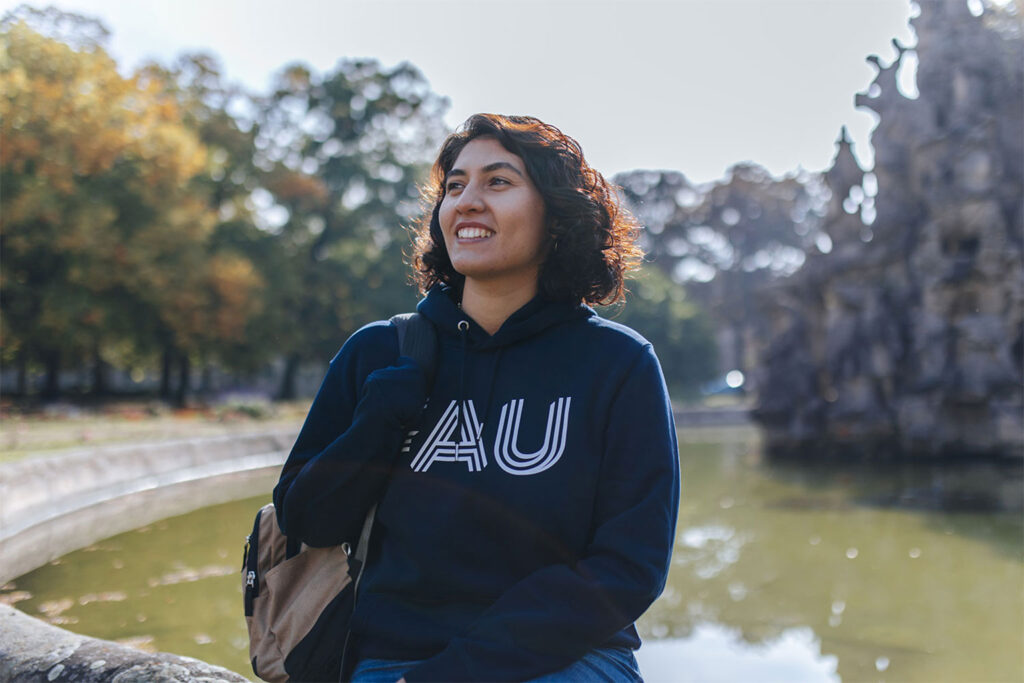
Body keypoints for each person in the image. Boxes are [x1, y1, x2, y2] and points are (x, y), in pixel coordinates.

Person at [273, 113, 680, 682]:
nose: (467, 200)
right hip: (392, 658)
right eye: (455, 185)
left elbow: (628, 567)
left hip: (569, 659)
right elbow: (305, 520)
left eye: (498, 181)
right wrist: (382, 416)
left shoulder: (619, 363)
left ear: (556, 217)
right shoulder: (379, 351)